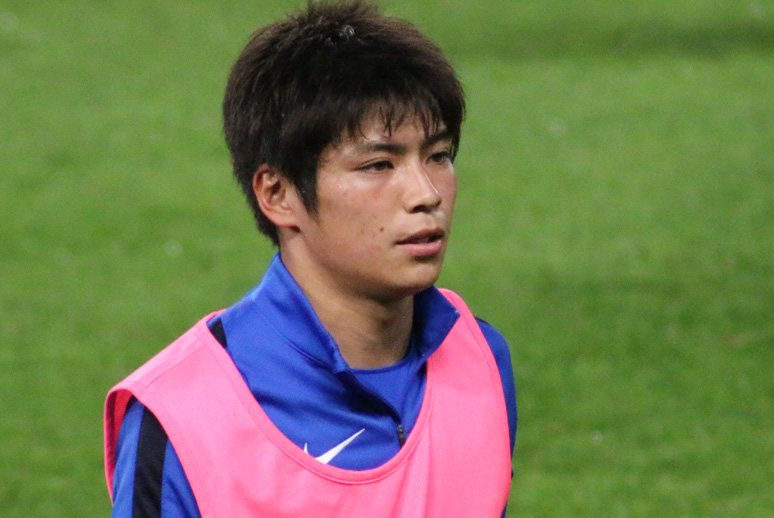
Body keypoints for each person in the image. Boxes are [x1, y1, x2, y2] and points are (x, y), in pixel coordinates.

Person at [104, 1, 517, 516]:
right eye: (378, 164)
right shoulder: (180, 417)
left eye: (439, 156)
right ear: (277, 194)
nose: (426, 193)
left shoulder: (480, 360)